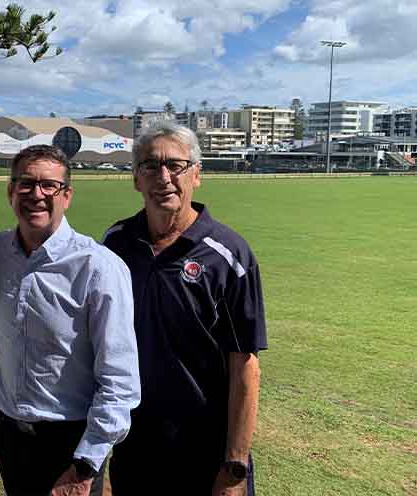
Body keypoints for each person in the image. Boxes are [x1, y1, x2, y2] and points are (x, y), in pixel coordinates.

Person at [102, 120, 267, 496]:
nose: (164, 177)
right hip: (136, 448)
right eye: (150, 165)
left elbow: (245, 364)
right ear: (136, 179)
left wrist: (235, 465)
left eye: (176, 165)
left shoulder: (229, 254)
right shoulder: (114, 244)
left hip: (205, 453)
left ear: (197, 175)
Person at [0, 144, 141, 496]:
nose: (36, 194)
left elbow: (120, 381)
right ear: (11, 191)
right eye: (26, 183)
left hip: (71, 442)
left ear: (67, 196)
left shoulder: (98, 267)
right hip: (11, 436)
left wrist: (86, 465)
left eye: (49, 186)